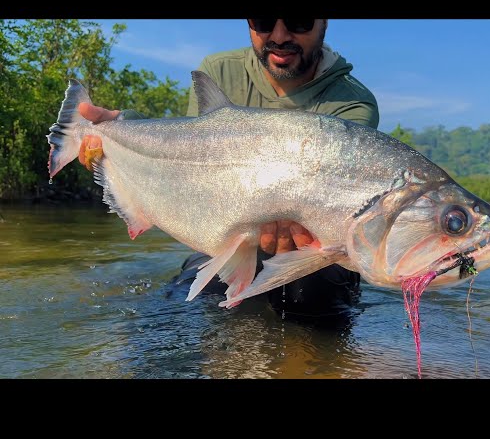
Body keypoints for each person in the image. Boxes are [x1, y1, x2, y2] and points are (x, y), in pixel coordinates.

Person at [77, 18, 379, 317]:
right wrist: (121, 129)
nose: (279, 35)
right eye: (262, 21)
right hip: (223, 241)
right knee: (185, 311)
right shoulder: (219, 71)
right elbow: (186, 155)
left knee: (312, 304)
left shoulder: (353, 103)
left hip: (319, 256)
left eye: (297, 22)